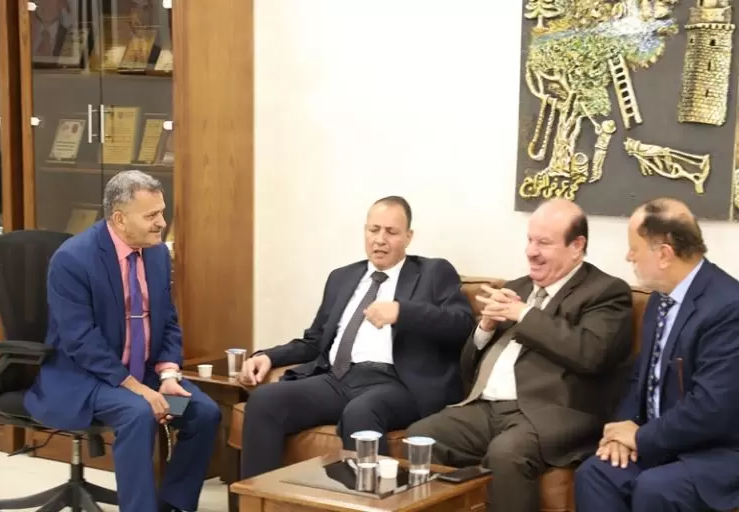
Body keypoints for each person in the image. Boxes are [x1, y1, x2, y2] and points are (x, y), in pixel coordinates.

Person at [405, 198, 634, 512]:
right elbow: (468, 369)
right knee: (421, 437)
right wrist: (485, 327)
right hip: (486, 409)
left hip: (551, 413)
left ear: (576, 246)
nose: (531, 251)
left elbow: (592, 353)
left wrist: (524, 314)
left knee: (507, 453)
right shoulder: (517, 288)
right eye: (530, 240)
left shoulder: (605, 292)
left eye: (544, 243)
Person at [24, 170, 221, 512]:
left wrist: (168, 375)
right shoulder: (73, 259)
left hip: (146, 374)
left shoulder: (156, 254)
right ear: (119, 218)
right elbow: (80, 341)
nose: (162, 223)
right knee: (138, 412)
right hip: (87, 378)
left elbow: (168, 320)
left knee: (203, 412)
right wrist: (137, 388)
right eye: (151, 215)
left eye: (162, 212)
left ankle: (173, 504)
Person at [238, 196, 475, 478]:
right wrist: (268, 356)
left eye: (391, 232)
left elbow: (462, 325)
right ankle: (256, 500)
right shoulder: (342, 277)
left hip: (397, 384)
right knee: (265, 401)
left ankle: (376, 498)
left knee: (360, 412)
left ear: (408, 237)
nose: (380, 239)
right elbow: (315, 341)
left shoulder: (433, 272)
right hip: (338, 377)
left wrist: (402, 312)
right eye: (374, 230)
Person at [574, 198, 739, 512]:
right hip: (662, 441)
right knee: (596, 473)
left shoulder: (728, 307)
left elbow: (712, 407)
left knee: (656, 488)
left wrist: (641, 438)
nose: (629, 256)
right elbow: (640, 376)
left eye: (634, 248)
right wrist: (620, 431)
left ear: (664, 254)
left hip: (717, 451)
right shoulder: (660, 299)